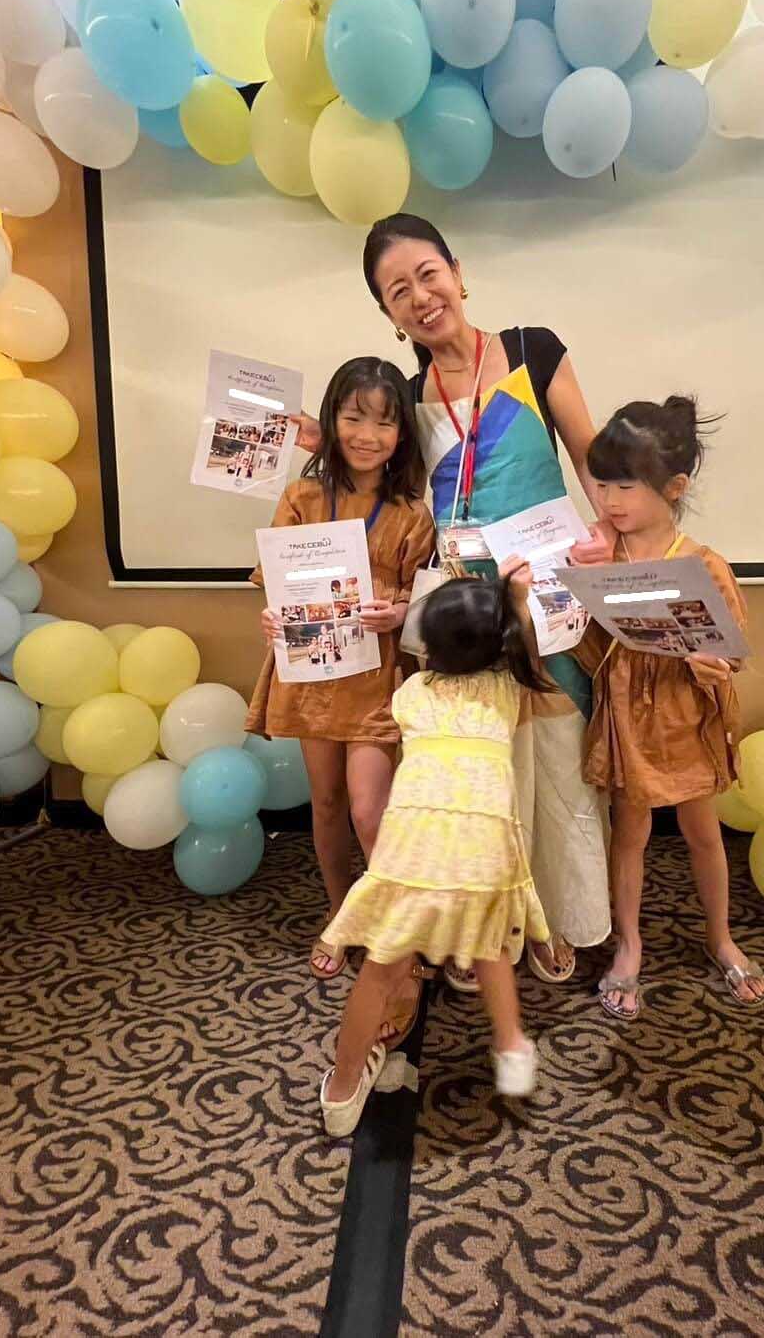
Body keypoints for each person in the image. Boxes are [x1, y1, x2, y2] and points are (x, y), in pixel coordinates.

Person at [292, 214, 612, 992]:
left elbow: (590, 456)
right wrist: (319, 439)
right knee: (479, 776)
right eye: (398, 290)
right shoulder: (404, 398)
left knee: (559, 765)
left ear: (458, 273)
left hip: (548, 597)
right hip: (460, 611)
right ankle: (488, 924)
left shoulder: (534, 350)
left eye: (427, 274)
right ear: (389, 314)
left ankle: (558, 916)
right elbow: (372, 468)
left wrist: (608, 530)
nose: (420, 296)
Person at [318, 561, 552, 1137]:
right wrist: (518, 601)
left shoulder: (410, 695)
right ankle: (511, 1047)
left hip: (410, 858)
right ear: (502, 643)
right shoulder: (507, 693)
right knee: (491, 950)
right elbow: (526, 656)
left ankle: (342, 1092)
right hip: (484, 858)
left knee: (380, 972)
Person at [247, 357, 435, 1010]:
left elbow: (425, 598)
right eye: (354, 417)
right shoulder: (301, 498)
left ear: (401, 434)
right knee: (325, 804)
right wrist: (273, 614)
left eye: (384, 422)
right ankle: (339, 912)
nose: (367, 435)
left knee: (368, 809)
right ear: (332, 419)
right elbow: (276, 581)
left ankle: (395, 935)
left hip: (376, 676)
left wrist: (400, 611)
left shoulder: (412, 512)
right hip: (312, 673)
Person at [575, 398, 764, 1019]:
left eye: (625, 486)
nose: (609, 500)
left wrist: (715, 665)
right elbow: (587, 647)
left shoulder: (704, 563)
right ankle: (629, 943)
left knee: (703, 831)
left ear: (674, 487)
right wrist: (576, 590)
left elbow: (732, 652)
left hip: (686, 716)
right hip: (627, 715)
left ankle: (721, 936)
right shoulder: (601, 555)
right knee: (629, 832)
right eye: (602, 484)